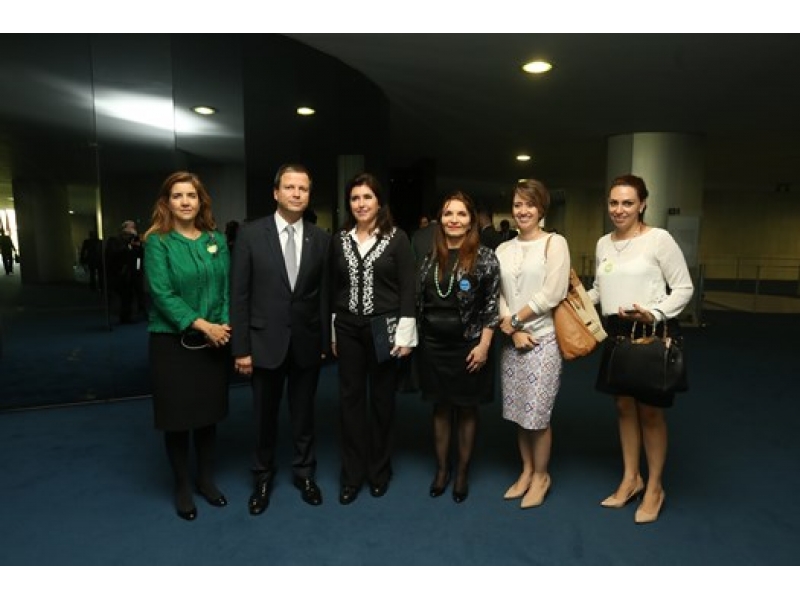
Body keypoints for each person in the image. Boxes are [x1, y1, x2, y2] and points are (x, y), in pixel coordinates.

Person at [588, 174, 694, 524]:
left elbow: (683, 287)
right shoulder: (604, 243)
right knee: (622, 408)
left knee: (650, 413)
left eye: (627, 203)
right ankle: (631, 479)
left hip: (650, 331)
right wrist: (570, 302)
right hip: (616, 335)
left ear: (643, 204)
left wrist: (655, 311)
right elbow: (598, 292)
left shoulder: (658, 240)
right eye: (614, 203)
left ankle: (655, 487)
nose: (619, 210)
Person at [230, 163, 331, 515]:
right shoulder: (250, 233)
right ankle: (262, 477)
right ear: (276, 192)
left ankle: (304, 473)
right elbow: (239, 294)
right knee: (263, 418)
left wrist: (322, 342)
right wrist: (240, 349)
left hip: (305, 343)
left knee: (304, 416)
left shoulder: (321, 238)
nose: (296, 193)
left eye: (303, 188)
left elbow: (322, 295)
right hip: (263, 344)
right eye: (290, 187)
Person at [142, 171, 232, 521]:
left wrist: (222, 326)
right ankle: (182, 486)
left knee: (207, 416)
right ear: (166, 202)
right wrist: (204, 325)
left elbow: (225, 287)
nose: (184, 202)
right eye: (177, 196)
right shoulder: (157, 242)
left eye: (191, 196)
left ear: (200, 201)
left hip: (213, 342)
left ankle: (206, 481)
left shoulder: (216, 240)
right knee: (178, 419)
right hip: (172, 344)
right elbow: (162, 294)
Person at [329, 172, 417, 505]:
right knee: (350, 402)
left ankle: (379, 471)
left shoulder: (397, 238)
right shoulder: (339, 239)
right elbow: (334, 289)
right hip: (348, 329)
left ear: (379, 201)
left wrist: (405, 335)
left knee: (382, 401)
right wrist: (333, 330)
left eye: (367, 197)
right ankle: (351, 475)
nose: (361, 204)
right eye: (355, 198)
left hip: (385, 330)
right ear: (348, 203)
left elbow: (408, 289)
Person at [417, 191, 500, 503]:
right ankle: (442, 470)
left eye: (461, 214)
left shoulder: (485, 257)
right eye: (448, 213)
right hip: (434, 347)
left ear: (471, 220)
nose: (454, 220)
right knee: (440, 408)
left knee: (466, 408)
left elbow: (492, 308)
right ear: (441, 219)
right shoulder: (430, 255)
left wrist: (484, 346)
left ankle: (462, 472)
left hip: (469, 346)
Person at [495, 179, 570, 509]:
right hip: (513, 341)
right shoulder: (503, 249)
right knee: (518, 412)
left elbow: (553, 292)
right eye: (517, 204)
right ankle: (526, 471)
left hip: (544, 340)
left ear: (541, 209)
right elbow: (496, 295)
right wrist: (511, 330)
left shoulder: (555, 243)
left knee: (537, 416)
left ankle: (542, 476)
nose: (522, 210)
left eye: (529, 204)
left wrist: (516, 321)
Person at [105, 220, 145, 323]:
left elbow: (139, 257)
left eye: (134, 227)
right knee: (123, 295)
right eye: (130, 227)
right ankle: (121, 315)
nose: (132, 229)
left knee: (134, 294)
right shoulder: (114, 241)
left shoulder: (135, 241)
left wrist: (138, 268)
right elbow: (115, 254)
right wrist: (129, 245)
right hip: (119, 273)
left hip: (133, 272)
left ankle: (133, 314)